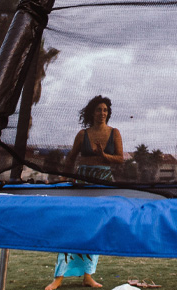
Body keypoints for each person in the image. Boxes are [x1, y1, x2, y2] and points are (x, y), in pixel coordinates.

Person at [46, 96, 124, 290]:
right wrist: (64, 178)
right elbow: (71, 158)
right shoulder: (83, 134)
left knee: (94, 228)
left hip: (103, 182)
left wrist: (103, 155)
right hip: (82, 180)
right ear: (92, 112)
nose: (102, 113)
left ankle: (88, 275)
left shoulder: (115, 133)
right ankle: (59, 276)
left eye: (105, 110)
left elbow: (120, 159)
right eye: (99, 109)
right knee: (73, 225)